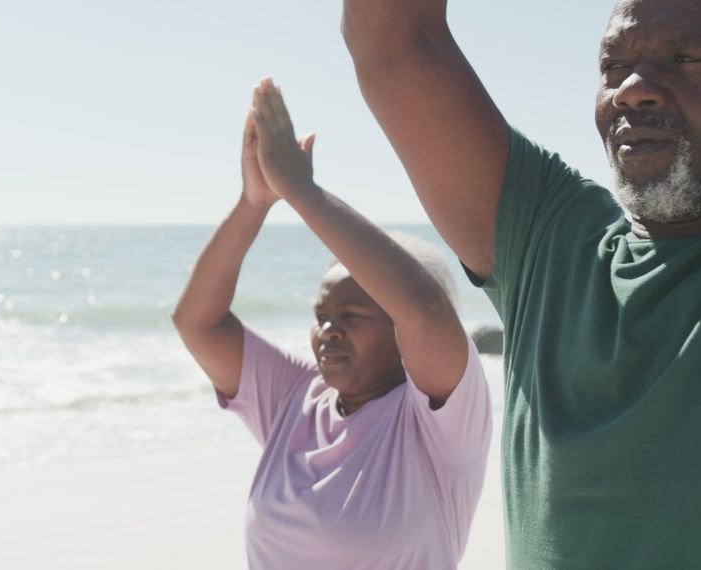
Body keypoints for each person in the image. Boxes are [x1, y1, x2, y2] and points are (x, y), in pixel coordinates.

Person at [341, 0, 701, 567]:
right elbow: (395, 43)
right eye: (612, 65)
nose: (632, 89)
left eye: (688, 59)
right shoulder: (546, 245)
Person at [171, 79, 492, 569]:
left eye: (352, 315)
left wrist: (303, 193)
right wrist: (255, 203)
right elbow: (198, 322)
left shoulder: (440, 425)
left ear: (401, 334)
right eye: (322, 316)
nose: (329, 331)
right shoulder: (294, 400)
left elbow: (425, 311)